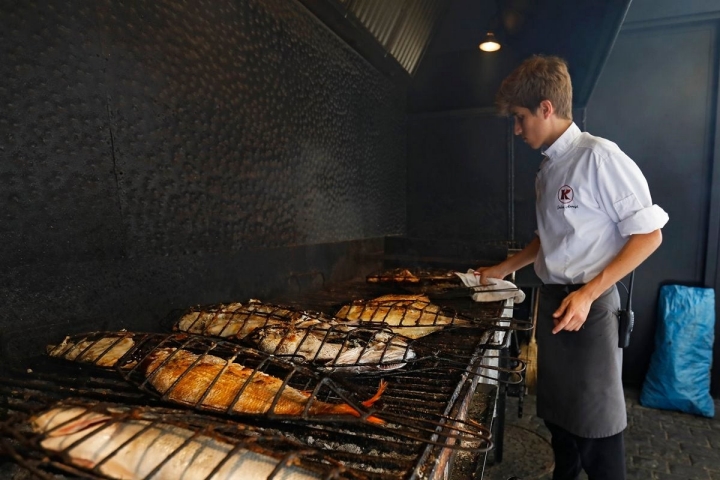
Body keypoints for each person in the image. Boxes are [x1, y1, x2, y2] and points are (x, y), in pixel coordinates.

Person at [475, 55, 669, 480]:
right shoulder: (547, 170)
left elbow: (649, 235)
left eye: (520, 117)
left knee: (597, 431)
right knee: (560, 421)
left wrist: (588, 293)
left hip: (591, 308)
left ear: (546, 108)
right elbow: (550, 238)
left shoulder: (600, 158)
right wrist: (503, 268)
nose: (517, 128)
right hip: (555, 305)